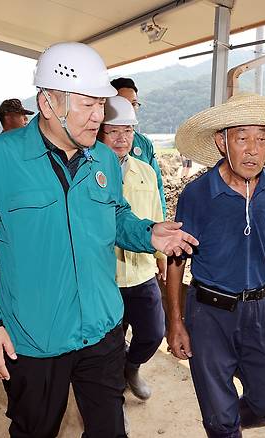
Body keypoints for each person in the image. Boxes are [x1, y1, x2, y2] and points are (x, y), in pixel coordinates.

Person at [0, 42, 197, 438]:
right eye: (87, 106)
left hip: (101, 326)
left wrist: (147, 232)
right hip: (33, 336)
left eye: (101, 105)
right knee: (36, 430)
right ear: (48, 103)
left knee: (110, 431)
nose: (98, 117)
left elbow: (115, 216)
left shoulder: (102, 159)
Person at [167, 93, 265, 438]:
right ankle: (221, 425)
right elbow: (175, 260)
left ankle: (221, 422)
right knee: (221, 422)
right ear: (222, 142)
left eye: (261, 139)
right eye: (241, 138)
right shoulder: (197, 194)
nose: (252, 149)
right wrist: (174, 320)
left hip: (262, 309)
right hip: (208, 314)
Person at [97, 96, 165, 401]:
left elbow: (156, 215)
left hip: (140, 271)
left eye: (127, 131)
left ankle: (132, 367)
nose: (121, 138)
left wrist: (162, 255)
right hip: (104, 276)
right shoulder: (89, 172)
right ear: (100, 134)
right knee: (107, 346)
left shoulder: (146, 172)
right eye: (113, 132)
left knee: (152, 333)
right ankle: (114, 403)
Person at [110, 77, 167, 218]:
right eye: (123, 103)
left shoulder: (144, 144)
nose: (129, 108)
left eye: (133, 103)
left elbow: (157, 191)